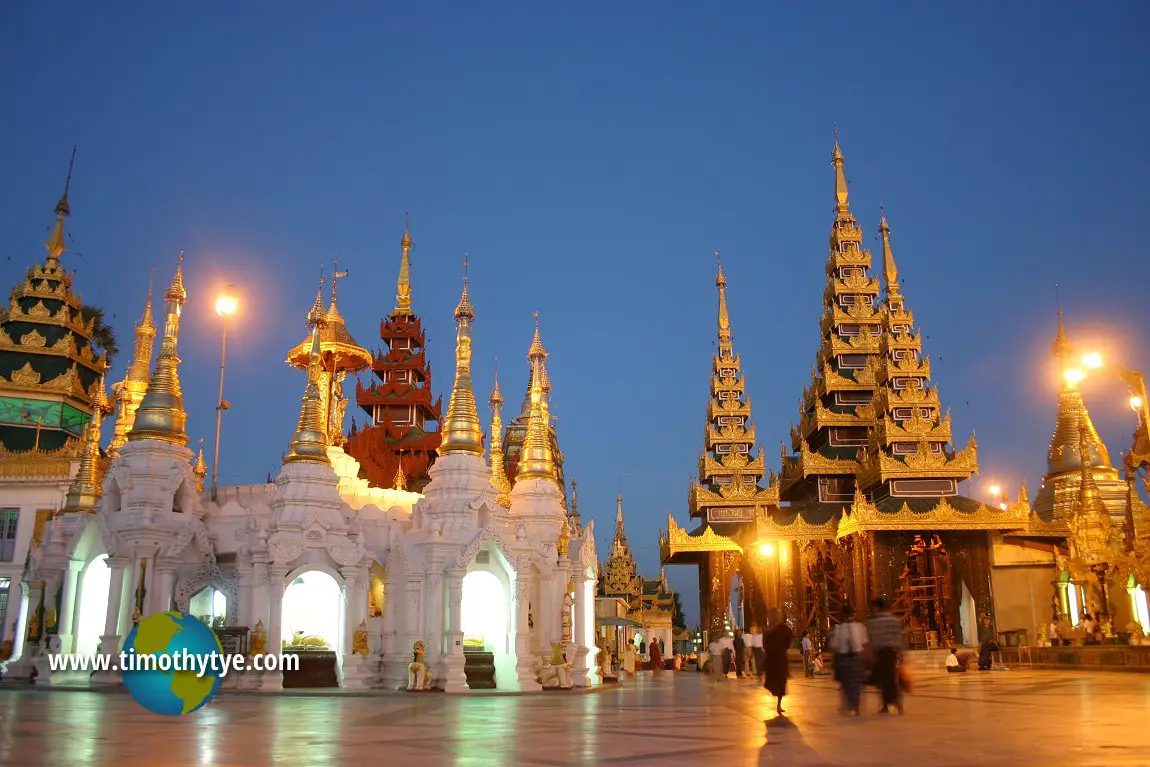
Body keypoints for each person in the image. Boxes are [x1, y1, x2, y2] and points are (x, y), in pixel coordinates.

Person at [867, 597, 904, 715]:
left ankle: (886, 705)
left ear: (877, 608)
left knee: (881, 680)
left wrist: (870, 655)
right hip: (891, 652)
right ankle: (897, 704)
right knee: (891, 678)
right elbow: (899, 638)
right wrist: (902, 654)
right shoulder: (894, 620)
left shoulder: (873, 622)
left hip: (880, 652)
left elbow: (871, 639)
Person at [830, 606, 867, 715]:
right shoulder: (860, 627)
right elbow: (865, 643)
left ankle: (847, 705)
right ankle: (856, 708)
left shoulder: (838, 629)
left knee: (846, 683)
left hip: (844, 658)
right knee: (856, 683)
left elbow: (834, 645)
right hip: (857, 658)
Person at [763, 609, 794, 715]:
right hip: (776, 658)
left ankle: (779, 704)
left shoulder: (777, 629)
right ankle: (778, 704)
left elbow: (765, 645)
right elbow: (788, 642)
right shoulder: (771, 630)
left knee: (780, 683)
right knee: (778, 682)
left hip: (777, 659)